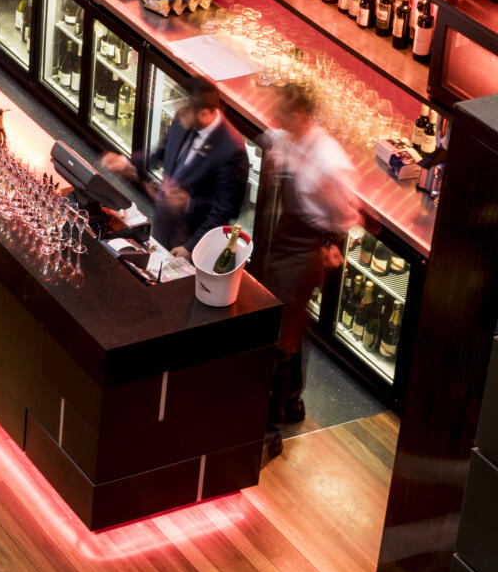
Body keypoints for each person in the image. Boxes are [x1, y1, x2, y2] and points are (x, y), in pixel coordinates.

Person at [257, 82, 357, 457]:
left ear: (300, 114)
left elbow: (346, 214)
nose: (275, 119)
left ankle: (270, 430)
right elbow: (269, 138)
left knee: (282, 337)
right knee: (292, 326)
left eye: (281, 113)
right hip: (284, 241)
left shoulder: (329, 162)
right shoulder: (289, 137)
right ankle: (293, 402)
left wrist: (330, 247)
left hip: (304, 251)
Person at [101, 76, 248, 257]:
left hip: (191, 241)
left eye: (184, 112)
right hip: (163, 225)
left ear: (204, 114)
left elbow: (224, 212)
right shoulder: (183, 118)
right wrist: (127, 163)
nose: (177, 115)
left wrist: (190, 245)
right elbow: (161, 152)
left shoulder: (231, 151)